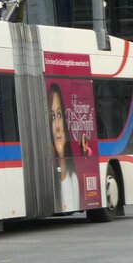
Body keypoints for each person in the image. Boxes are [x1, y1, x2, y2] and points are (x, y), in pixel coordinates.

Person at [48, 83, 80, 212]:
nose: (57, 126)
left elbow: (71, 206)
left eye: (59, 115)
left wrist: (62, 159)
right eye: (52, 117)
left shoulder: (73, 179)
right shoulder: (48, 178)